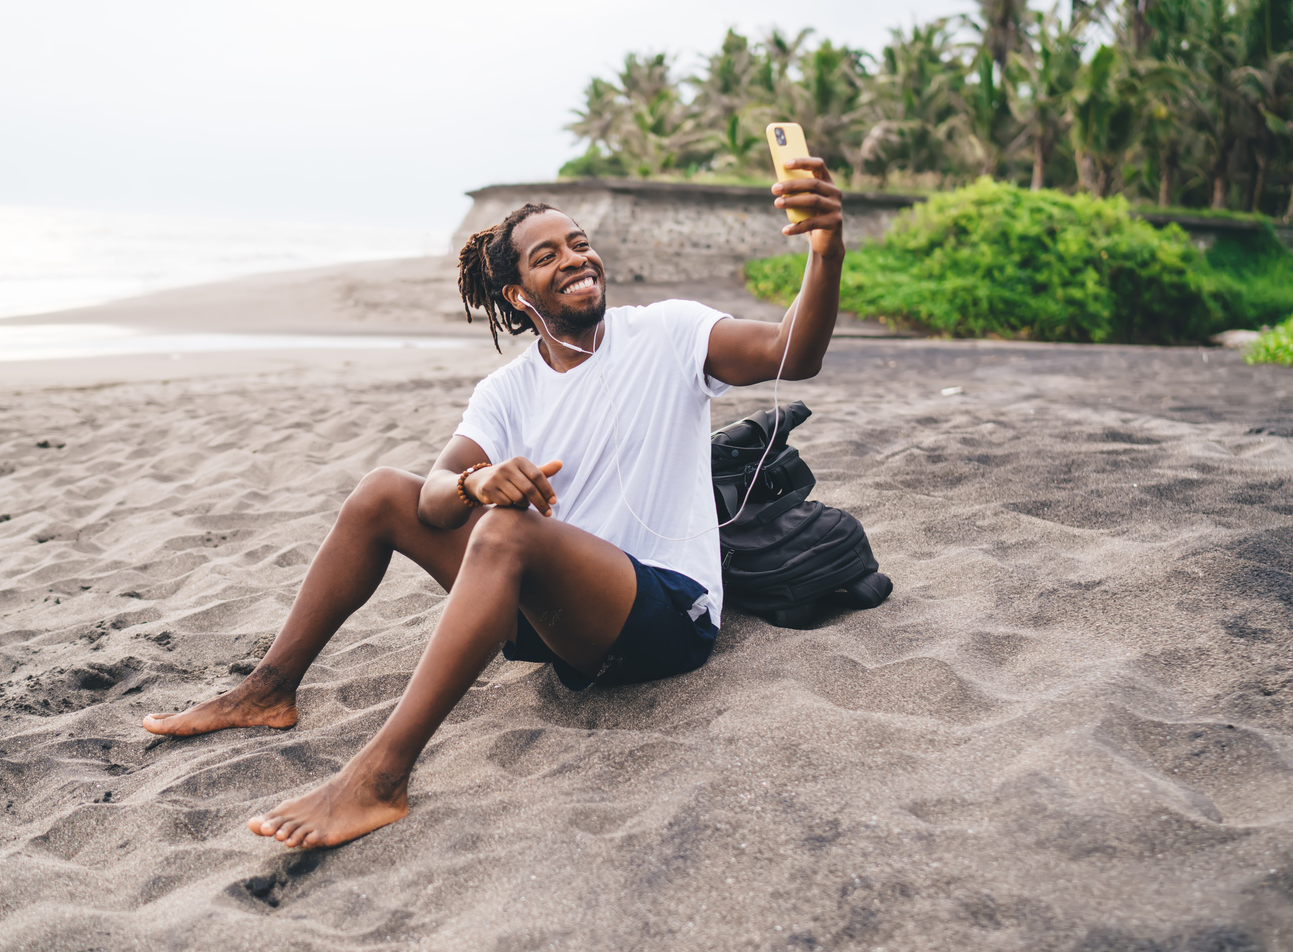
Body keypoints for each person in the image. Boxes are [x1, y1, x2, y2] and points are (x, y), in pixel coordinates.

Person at [141, 157, 847, 849]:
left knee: (508, 534)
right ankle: (267, 689)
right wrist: (476, 482)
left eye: (580, 244)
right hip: (561, 621)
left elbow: (793, 350)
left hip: (664, 614)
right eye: (547, 256)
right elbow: (432, 501)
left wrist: (825, 247)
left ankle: (379, 776)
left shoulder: (666, 333)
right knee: (383, 491)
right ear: (517, 295)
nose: (575, 259)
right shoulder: (507, 392)